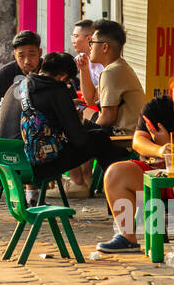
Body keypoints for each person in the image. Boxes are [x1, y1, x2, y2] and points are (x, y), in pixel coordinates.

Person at [97, 58, 174, 253]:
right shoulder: (156, 107)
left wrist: (171, 145)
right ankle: (126, 237)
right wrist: (159, 149)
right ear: (173, 84)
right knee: (115, 172)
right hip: (153, 177)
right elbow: (138, 141)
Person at [12, 52, 123, 195]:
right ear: (63, 76)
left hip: (15, 162)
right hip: (42, 164)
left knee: (97, 136)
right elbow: (78, 139)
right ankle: (117, 196)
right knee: (100, 138)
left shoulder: (24, 85)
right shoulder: (58, 90)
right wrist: (76, 117)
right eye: (68, 81)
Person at [76, 20, 144, 133]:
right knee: (83, 111)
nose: (90, 47)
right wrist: (84, 69)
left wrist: (87, 135)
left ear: (105, 47)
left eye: (92, 42)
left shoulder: (111, 72)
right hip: (125, 131)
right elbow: (91, 99)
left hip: (123, 137)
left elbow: (108, 118)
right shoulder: (118, 66)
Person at [0, 30, 42, 125]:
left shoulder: (50, 71)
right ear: (15, 55)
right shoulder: (4, 74)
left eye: (32, 55)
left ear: (40, 52)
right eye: (21, 56)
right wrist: (13, 112)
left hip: (43, 122)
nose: (27, 61)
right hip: (13, 122)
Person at [69, 19, 105, 91]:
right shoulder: (79, 58)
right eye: (72, 37)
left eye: (76, 36)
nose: (73, 41)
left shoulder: (104, 63)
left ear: (89, 38)